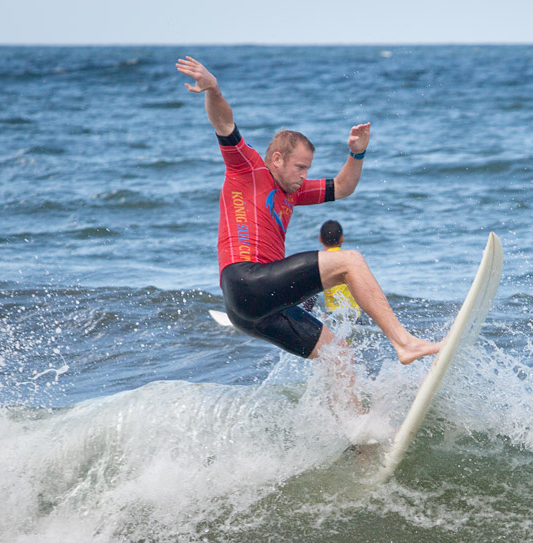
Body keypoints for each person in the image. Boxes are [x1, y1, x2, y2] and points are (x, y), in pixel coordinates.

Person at [176, 56, 440, 365]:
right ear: (277, 159)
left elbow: (342, 187)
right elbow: (223, 123)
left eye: (308, 169)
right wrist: (213, 90)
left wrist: (357, 153)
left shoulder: (294, 192)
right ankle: (405, 343)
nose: (304, 175)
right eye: (300, 167)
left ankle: (358, 401)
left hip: (253, 312)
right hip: (247, 280)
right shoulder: (248, 169)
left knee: (340, 354)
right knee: (350, 261)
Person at [318, 220, 361, 319]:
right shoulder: (349, 260)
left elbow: (312, 295)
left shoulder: (321, 262)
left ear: (320, 239)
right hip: (355, 316)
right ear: (342, 239)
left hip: (334, 316)